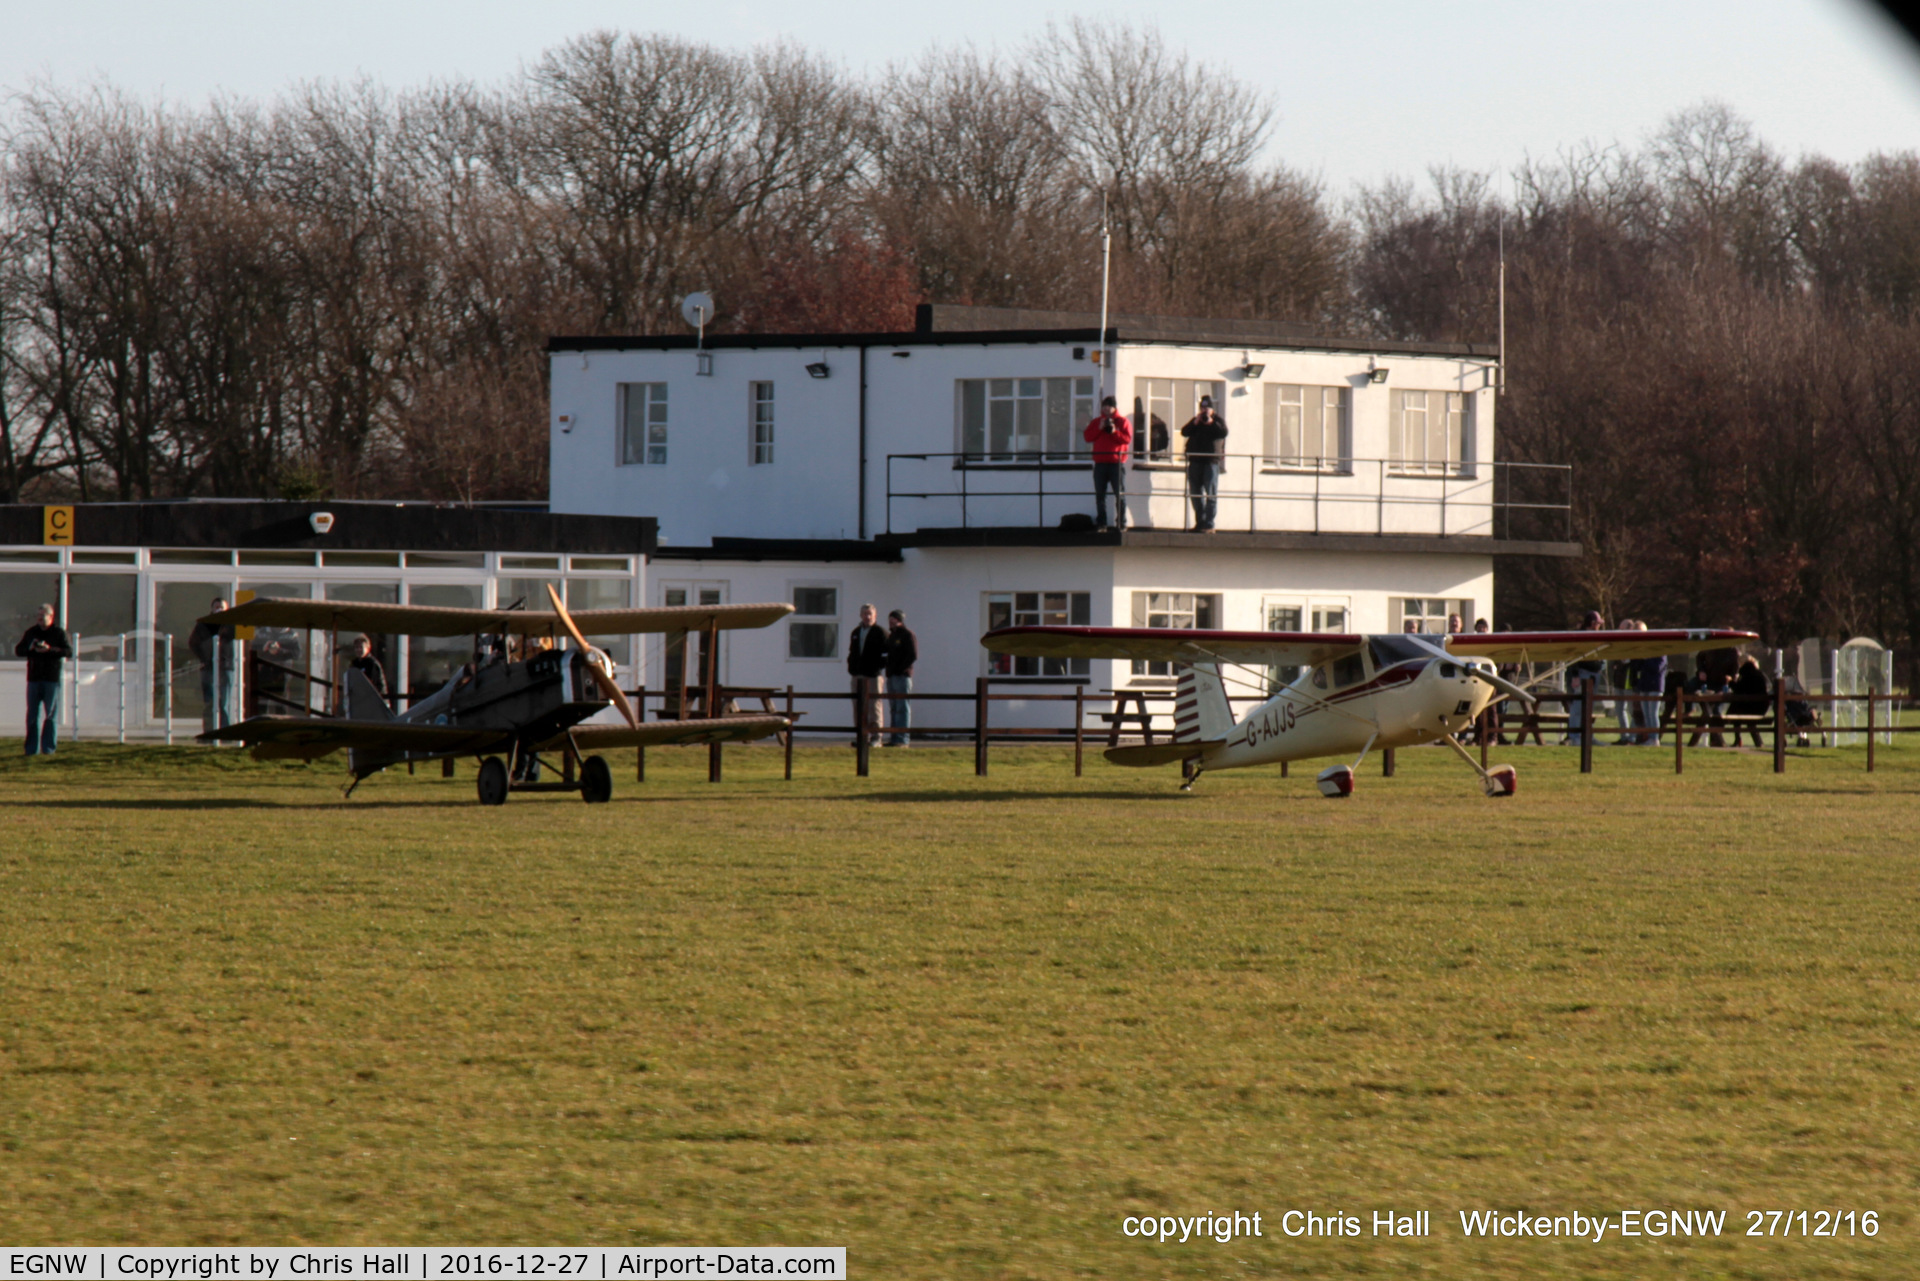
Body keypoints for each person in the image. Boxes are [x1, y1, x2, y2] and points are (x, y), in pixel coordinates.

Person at [16, 603, 71, 756]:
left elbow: (68, 651)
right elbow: (19, 650)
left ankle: (48, 748)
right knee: (32, 714)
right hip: (34, 678)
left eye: (43, 616)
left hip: (51, 679)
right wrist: (31, 648)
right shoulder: (31, 633)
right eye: (38, 616)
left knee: (51, 715)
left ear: (51, 617)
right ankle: (31, 749)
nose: (39, 619)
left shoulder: (58, 633)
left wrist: (50, 649)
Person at [1083, 395, 1133, 531]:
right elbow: (1087, 437)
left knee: (1120, 494)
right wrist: (1099, 428)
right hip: (1100, 464)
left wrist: (1114, 432)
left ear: (1114, 407)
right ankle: (1102, 523)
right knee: (1100, 495)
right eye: (1104, 405)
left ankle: (1121, 522)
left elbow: (1127, 439)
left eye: (1109, 406)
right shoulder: (1097, 422)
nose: (1106, 408)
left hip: (1116, 464)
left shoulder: (1122, 422)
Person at [1179, 395, 1228, 531]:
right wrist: (1196, 422)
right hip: (1195, 461)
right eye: (1203, 408)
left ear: (1212, 409)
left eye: (1207, 408)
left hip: (1210, 462)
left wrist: (1211, 422)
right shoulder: (1197, 420)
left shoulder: (1217, 420)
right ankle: (1200, 522)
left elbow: (1223, 432)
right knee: (1195, 493)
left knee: (1210, 494)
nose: (1204, 410)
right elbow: (1184, 432)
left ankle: (1209, 524)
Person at [189, 597, 234, 733]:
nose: (219, 609)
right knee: (210, 702)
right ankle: (209, 732)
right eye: (216, 607)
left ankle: (224, 732)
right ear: (212, 608)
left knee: (224, 703)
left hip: (225, 667)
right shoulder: (203, 624)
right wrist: (203, 657)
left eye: (222, 607)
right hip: (208, 668)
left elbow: (238, 639)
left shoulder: (231, 625)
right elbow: (193, 643)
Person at [846, 602, 888, 746]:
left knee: (874, 705)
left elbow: (885, 655)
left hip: (873, 676)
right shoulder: (856, 632)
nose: (867, 617)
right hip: (858, 675)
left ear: (875, 615)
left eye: (870, 614)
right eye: (865, 614)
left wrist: (876, 669)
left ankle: (876, 737)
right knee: (858, 705)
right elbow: (852, 653)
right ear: (860, 615)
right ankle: (861, 736)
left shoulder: (881, 632)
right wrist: (852, 669)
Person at [1565, 610, 1606, 747]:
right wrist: (1575, 676)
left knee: (1589, 708)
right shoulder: (1580, 636)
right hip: (1583, 674)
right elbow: (1573, 657)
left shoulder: (1597, 637)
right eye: (1597, 624)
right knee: (1578, 708)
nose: (1599, 627)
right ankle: (1575, 737)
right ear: (1592, 624)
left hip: (1595, 674)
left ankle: (1588, 735)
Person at [1627, 620, 1666, 746]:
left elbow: (1658, 666)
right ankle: (1650, 737)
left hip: (1655, 685)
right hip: (1644, 684)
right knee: (1646, 713)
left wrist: (1645, 660)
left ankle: (1655, 739)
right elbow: (1636, 666)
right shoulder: (1640, 648)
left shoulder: (1658, 646)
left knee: (1653, 713)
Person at [883, 609, 918, 747]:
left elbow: (913, 655)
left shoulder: (907, 635)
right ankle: (894, 738)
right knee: (894, 707)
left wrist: (900, 668)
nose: (891, 622)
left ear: (900, 620)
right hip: (891, 676)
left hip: (902, 676)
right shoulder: (891, 636)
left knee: (902, 707)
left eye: (894, 619)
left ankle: (902, 739)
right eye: (890, 619)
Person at [1730, 654, 1771, 748]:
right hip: (1761, 706)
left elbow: (1739, 689)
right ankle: (1758, 742)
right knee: (1740, 714)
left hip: (1752, 707)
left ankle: (1737, 739)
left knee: (1734, 712)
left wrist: (1730, 682)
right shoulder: (1758, 673)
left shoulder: (1747, 673)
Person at [348, 635, 388, 700]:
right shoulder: (354, 664)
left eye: (361, 647)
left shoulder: (372, 663)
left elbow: (374, 685)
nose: (358, 650)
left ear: (368, 648)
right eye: (356, 647)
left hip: (373, 700)